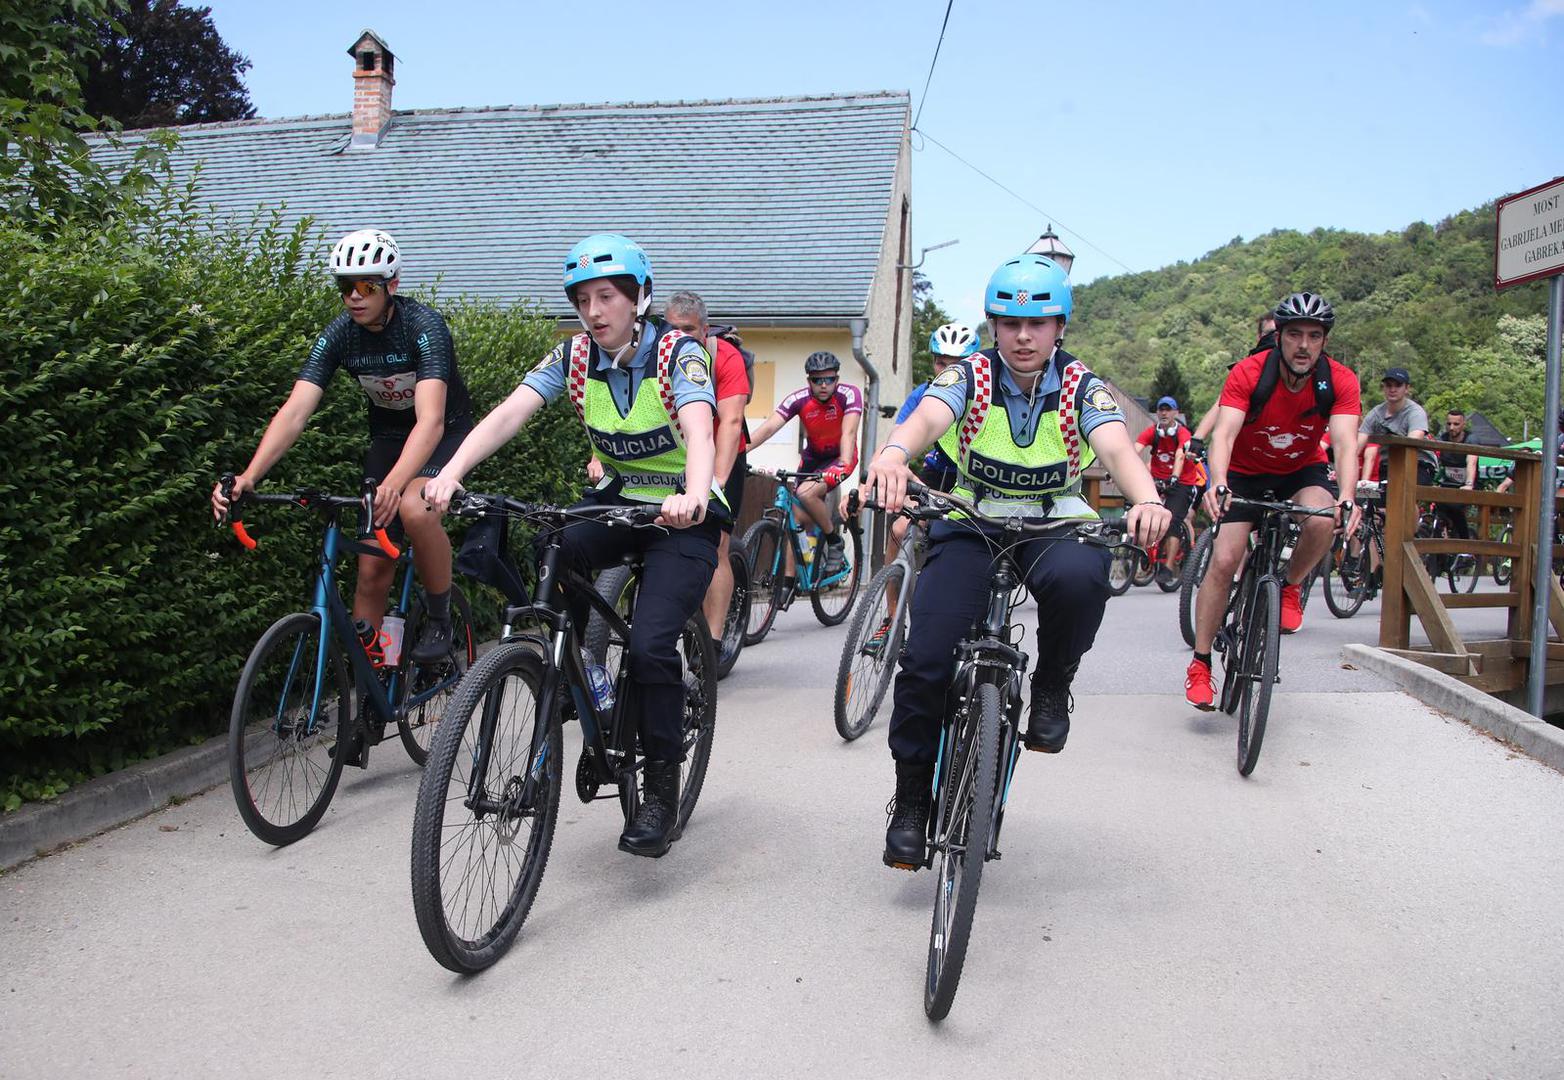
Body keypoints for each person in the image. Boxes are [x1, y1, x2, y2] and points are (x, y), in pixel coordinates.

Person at [864, 254, 1171, 868]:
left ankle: (1053, 682)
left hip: (1053, 523)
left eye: (1038, 324)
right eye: (1010, 324)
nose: (1023, 336)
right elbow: (926, 418)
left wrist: (1148, 499)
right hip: (971, 521)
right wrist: (893, 455)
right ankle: (912, 799)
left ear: (1060, 327)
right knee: (925, 661)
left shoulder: (1082, 386)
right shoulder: (969, 376)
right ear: (993, 326)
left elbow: (1116, 449)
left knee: (1084, 578)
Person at [424, 233, 721, 859]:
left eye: (606, 296)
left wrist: (694, 493)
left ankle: (660, 791)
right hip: (619, 501)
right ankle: (579, 669)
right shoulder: (573, 356)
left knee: (650, 646)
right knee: (552, 543)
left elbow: (700, 429)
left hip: (682, 515)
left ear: (639, 298)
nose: (593, 311)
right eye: (582, 300)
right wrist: (451, 473)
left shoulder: (680, 353)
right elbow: (510, 412)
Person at [210, 228, 473, 671]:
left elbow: (429, 421)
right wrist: (249, 476)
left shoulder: (423, 326)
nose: (353, 296)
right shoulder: (340, 335)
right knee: (371, 571)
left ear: (392, 285)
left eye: (366, 286)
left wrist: (393, 486)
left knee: (413, 508)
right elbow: (295, 411)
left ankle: (440, 618)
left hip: (444, 434)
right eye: (345, 286)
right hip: (388, 440)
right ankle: (368, 685)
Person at [1185, 292, 1362, 709]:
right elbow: (1224, 434)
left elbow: (1344, 444)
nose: (1304, 345)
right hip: (1245, 473)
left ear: (1325, 341)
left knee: (1322, 518)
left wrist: (1348, 497)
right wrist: (1219, 482)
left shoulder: (1339, 380)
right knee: (1225, 560)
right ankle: (1201, 663)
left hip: (1301, 470)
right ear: (1279, 336)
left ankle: (1290, 587)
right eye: (1295, 334)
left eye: (1314, 336)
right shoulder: (1249, 373)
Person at [588, 290, 749, 642]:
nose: (679, 335)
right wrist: (600, 456)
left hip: (719, 451)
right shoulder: (652, 352)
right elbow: (616, 411)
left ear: (705, 331)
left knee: (719, 544)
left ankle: (713, 640)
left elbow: (731, 421)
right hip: (670, 455)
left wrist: (713, 482)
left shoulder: (725, 357)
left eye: (688, 329)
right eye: (673, 327)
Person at [746, 351, 863, 577]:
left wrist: (843, 464)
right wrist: (740, 451)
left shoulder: (849, 394)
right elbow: (769, 428)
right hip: (813, 458)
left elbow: (849, 433)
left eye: (829, 379)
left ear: (837, 379)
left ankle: (834, 540)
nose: (823, 385)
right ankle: (789, 581)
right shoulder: (798, 400)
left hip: (839, 457)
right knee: (794, 520)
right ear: (809, 381)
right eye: (817, 380)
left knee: (805, 493)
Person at [1188, 312, 1279, 453]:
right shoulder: (1246, 371)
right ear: (1259, 337)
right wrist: (1198, 438)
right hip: (1248, 450)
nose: (1273, 338)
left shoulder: (1302, 368)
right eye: (1269, 333)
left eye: (1277, 332)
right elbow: (1222, 402)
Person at [1135, 396, 1201, 582]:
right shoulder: (1152, 432)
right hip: (1157, 479)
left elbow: (1180, 455)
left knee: (1172, 522)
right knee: (1142, 514)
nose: (1164, 413)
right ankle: (1144, 553)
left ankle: (1168, 567)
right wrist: (1116, 469)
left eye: (1168, 409)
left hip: (1182, 482)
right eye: (1160, 409)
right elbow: (1133, 450)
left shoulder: (1183, 433)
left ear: (1175, 413)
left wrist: (1175, 476)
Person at [1358, 368, 1435, 487]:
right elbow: (1358, 444)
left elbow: (1413, 442)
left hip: (1418, 464)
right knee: (1381, 494)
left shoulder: (1415, 412)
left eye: (1398, 385)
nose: (1392, 389)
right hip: (1388, 464)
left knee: (1404, 490)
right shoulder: (1376, 413)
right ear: (1384, 388)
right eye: (1389, 385)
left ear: (1407, 388)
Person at [1434, 409, 1479, 541]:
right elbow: (1435, 459)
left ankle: (1465, 544)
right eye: (1449, 424)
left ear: (1463, 424)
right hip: (1448, 482)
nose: (1451, 427)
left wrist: (1469, 484)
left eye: (1456, 424)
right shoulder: (1443, 438)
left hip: (1466, 483)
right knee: (1438, 508)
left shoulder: (1471, 439)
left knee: (1456, 508)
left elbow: (1472, 462)